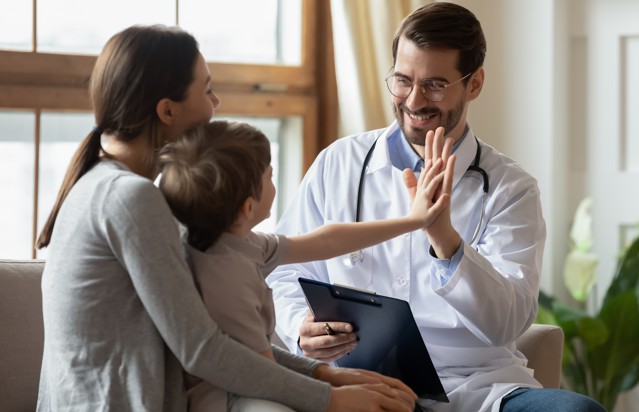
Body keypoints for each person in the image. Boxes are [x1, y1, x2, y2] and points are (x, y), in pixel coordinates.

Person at [35, 24, 419, 412]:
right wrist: (329, 398)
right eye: (206, 90)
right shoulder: (130, 199)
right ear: (167, 110)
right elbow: (201, 348)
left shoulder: (103, 184)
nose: (215, 103)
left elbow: (223, 340)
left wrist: (322, 373)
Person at [266, 3, 606, 412]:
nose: (413, 100)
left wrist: (444, 239)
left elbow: (508, 321)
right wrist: (299, 325)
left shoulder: (511, 189)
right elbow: (284, 270)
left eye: (435, 85)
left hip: (479, 387)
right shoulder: (339, 164)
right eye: (403, 80)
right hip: (364, 383)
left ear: (474, 84)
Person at [158, 119, 449, 411]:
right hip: (229, 399)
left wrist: (414, 221)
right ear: (248, 207)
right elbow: (264, 373)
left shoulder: (238, 244)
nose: (274, 182)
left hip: (255, 379)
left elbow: (325, 241)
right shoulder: (230, 281)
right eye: (270, 177)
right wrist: (336, 396)